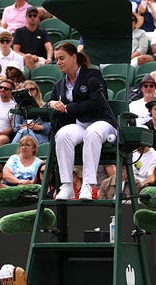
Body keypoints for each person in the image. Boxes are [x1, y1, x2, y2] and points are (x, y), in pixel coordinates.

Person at [47, 42, 118, 200]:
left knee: (92, 133)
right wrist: (52, 103)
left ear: (74, 57)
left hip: (102, 121)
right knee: (62, 135)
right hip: (79, 123)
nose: (58, 62)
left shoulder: (93, 75)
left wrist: (68, 108)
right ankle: (67, 185)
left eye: (62, 58)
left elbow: (97, 102)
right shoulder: (60, 84)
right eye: (56, 59)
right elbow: (50, 101)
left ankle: (88, 184)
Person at [12, 6, 52, 72]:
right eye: (30, 15)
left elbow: (49, 47)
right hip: (23, 60)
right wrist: (30, 56)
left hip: (39, 60)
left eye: (35, 15)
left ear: (37, 17)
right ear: (26, 17)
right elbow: (16, 50)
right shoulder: (19, 31)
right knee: (27, 57)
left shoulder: (42, 32)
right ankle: (34, 77)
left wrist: (49, 58)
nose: (32, 17)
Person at [11, 80, 51, 144]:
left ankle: (11, 150)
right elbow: (15, 127)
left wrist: (39, 127)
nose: (30, 92)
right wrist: (24, 126)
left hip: (39, 137)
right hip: (23, 135)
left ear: (37, 90)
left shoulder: (44, 106)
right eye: (27, 90)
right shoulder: (20, 107)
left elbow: (50, 127)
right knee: (25, 131)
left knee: (24, 131)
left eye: (32, 89)